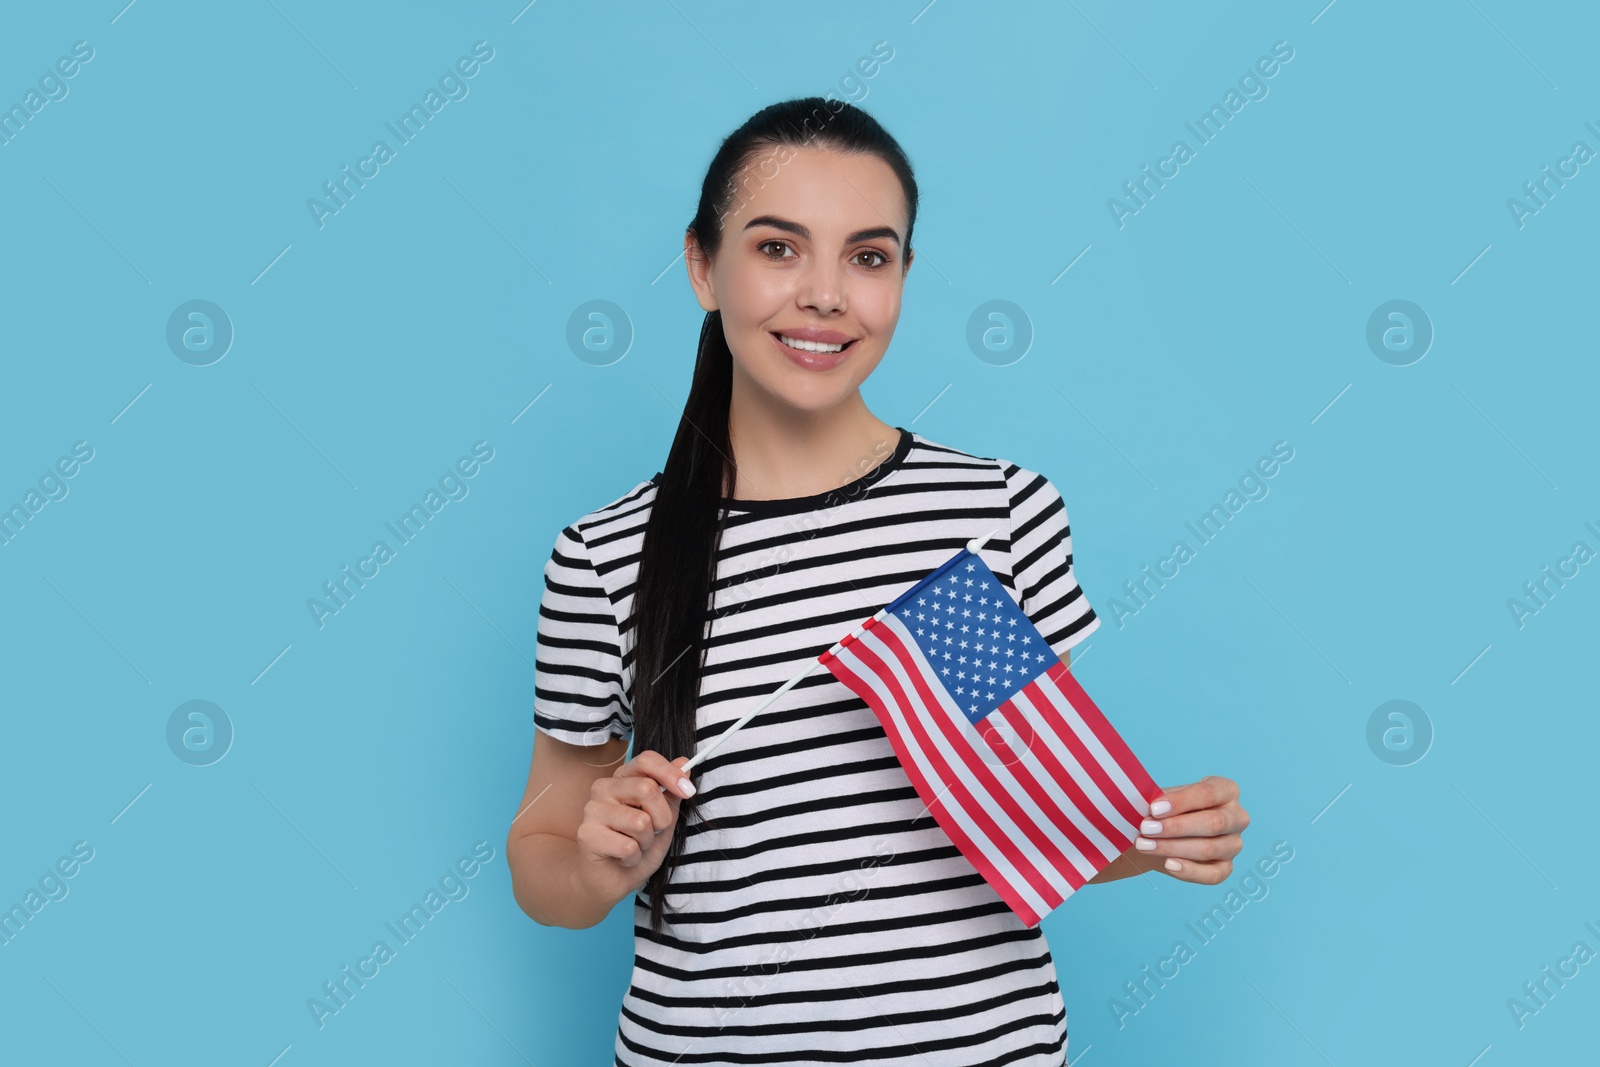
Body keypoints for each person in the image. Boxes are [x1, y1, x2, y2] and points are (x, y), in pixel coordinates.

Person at [506, 96, 1248, 1066]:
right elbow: (542, 855)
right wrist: (600, 863)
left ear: (901, 277)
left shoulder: (987, 516)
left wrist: (1157, 835)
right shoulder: (606, 555)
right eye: (777, 248)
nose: (824, 294)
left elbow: (1021, 796)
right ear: (701, 264)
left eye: (868, 255)